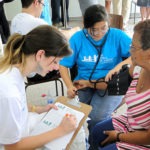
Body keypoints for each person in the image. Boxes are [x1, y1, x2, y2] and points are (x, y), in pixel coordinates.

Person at [59, 4, 132, 145]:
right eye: (93, 30)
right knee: (80, 115)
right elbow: (63, 65)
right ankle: (94, 141)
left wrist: (119, 66)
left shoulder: (117, 35)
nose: (99, 33)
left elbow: (136, 55)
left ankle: (95, 145)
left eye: (103, 28)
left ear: (108, 24)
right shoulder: (77, 38)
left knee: (97, 117)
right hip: (83, 84)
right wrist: (68, 86)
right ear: (85, 26)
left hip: (109, 85)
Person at [0, 25, 78, 149]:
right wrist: (60, 131)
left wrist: (37, 108)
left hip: (23, 127)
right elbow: (12, 148)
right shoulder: (9, 92)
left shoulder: (15, 70)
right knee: (72, 137)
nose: (57, 68)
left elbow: (15, 109)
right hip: (15, 143)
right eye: (55, 62)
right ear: (40, 54)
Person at [90, 19, 150, 150]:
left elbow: (148, 137)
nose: (129, 51)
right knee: (96, 131)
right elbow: (114, 86)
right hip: (131, 121)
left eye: (133, 47)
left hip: (145, 140)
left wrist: (118, 136)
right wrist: (88, 84)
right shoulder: (138, 67)